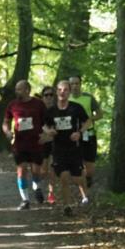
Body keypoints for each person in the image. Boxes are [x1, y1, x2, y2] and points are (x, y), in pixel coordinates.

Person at [43, 80, 91, 216]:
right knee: (64, 176)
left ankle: (84, 191)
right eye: (59, 90)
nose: (62, 92)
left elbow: (88, 121)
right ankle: (67, 206)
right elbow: (44, 125)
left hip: (74, 148)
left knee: (76, 178)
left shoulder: (76, 108)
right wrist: (49, 131)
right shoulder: (51, 110)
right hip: (58, 149)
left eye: (65, 90)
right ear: (56, 92)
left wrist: (79, 132)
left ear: (69, 92)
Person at [3, 80, 48, 210]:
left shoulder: (38, 104)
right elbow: (6, 122)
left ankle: (36, 187)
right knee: (21, 170)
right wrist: (7, 132)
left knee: (35, 170)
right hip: (19, 144)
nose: (17, 91)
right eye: (16, 89)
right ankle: (25, 200)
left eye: (19, 89)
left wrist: (46, 135)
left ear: (27, 90)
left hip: (36, 143)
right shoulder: (12, 105)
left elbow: (47, 122)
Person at [68, 75, 101, 190]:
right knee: (75, 163)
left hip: (88, 134)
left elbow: (100, 114)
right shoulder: (66, 99)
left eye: (77, 83)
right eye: (72, 84)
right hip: (72, 135)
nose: (75, 86)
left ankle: (88, 178)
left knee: (90, 167)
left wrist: (89, 119)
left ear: (80, 84)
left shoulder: (88, 98)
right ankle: (80, 186)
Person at [39, 85, 57, 204]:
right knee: (43, 170)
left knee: (53, 169)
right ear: (43, 97)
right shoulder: (39, 110)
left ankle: (51, 193)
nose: (49, 97)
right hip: (42, 142)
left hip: (55, 142)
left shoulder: (58, 109)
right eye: (46, 95)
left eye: (51, 95)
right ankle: (38, 188)